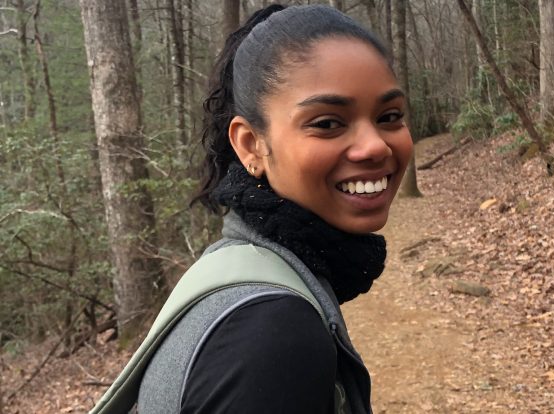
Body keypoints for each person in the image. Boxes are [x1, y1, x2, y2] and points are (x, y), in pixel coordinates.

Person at [137, 4, 412, 413]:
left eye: (389, 116)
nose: (375, 146)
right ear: (250, 145)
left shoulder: (234, 267)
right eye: (327, 123)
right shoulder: (274, 333)